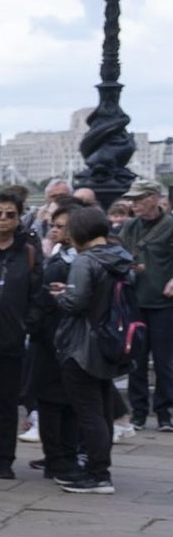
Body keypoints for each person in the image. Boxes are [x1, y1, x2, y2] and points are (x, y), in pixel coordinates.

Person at [55, 204, 138, 494]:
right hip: (110, 343)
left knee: (88, 413)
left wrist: (59, 296)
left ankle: (97, 473)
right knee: (101, 409)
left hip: (82, 345)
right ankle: (100, 468)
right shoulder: (121, 258)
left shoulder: (85, 261)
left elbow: (75, 303)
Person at [0, 188, 42, 481]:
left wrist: (26, 323)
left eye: (10, 215)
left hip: (11, 337)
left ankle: (4, 460)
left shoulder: (27, 249)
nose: (3, 220)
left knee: (7, 404)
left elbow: (37, 293)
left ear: (19, 219)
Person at [25, 201, 79, 479]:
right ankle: (59, 459)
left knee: (59, 405)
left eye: (61, 226)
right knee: (54, 404)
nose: (54, 230)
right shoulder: (61, 257)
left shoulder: (68, 262)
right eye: (53, 225)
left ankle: (61, 459)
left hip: (58, 341)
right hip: (51, 342)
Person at [119, 180, 173, 428]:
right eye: (132, 199)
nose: (134, 204)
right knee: (136, 362)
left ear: (154, 198)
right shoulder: (129, 227)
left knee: (164, 362)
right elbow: (116, 255)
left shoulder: (170, 225)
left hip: (163, 304)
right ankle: (139, 413)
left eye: (139, 199)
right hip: (135, 302)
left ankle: (164, 413)